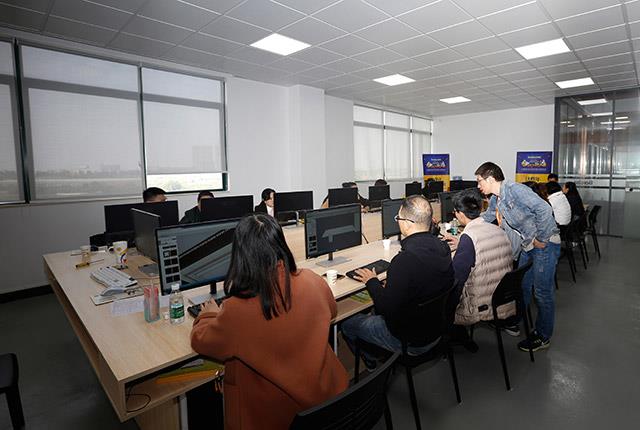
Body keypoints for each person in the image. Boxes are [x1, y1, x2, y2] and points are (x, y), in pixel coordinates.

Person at [190, 214, 348, 429]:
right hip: (327, 399)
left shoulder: (237, 309)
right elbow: (331, 310)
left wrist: (208, 315)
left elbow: (201, 341)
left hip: (275, 416)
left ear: (240, 255)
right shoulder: (312, 279)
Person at [341, 195, 454, 367]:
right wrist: (395, 285)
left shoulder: (404, 261)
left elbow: (385, 309)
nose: (398, 222)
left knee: (348, 324)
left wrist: (372, 281)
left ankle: (372, 362)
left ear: (407, 223)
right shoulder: (443, 247)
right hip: (436, 330)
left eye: (398, 218)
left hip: (409, 339)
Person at [475, 162, 560, 352]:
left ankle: (543, 336)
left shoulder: (515, 190)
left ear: (490, 178)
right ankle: (515, 320)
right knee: (522, 287)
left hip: (545, 244)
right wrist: (467, 226)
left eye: (480, 181)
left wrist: (541, 238)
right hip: (528, 245)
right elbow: (487, 217)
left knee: (542, 293)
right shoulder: (497, 198)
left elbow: (544, 210)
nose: (478, 185)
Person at [444, 189, 514, 351]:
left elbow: (457, 279)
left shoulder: (469, 237)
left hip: (480, 302)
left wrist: (448, 307)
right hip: (500, 296)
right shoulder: (498, 229)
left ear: (460, 213)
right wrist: (462, 243)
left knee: (438, 297)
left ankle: (451, 336)